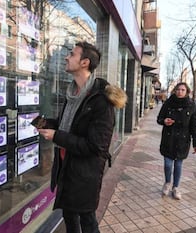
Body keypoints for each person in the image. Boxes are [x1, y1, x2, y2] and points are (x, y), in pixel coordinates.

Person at [37, 41, 127, 233]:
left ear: (84, 62)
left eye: (72, 54)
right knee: (69, 217)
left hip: (85, 173)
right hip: (66, 167)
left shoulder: (101, 101)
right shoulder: (72, 92)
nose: (67, 57)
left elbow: (96, 146)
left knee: (87, 221)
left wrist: (56, 136)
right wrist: (48, 124)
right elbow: (71, 125)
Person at [156, 82, 196, 200]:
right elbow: (159, 118)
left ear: (187, 92)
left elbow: (194, 125)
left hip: (183, 140)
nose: (180, 92)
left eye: (183, 90)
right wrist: (164, 121)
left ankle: (176, 187)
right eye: (178, 90)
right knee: (168, 164)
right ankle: (167, 183)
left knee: (178, 165)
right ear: (175, 91)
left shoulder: (191, 105)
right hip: (168, 139)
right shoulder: (168, 103)